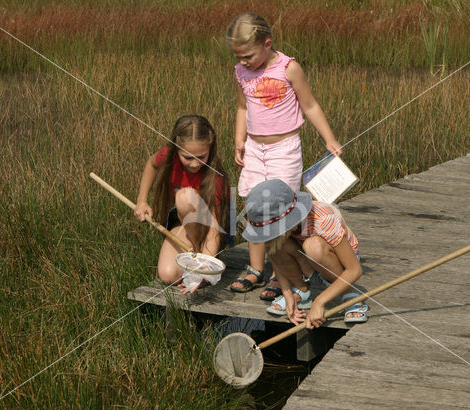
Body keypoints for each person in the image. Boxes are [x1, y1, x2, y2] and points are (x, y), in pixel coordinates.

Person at [226, 12, 343, 299]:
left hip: (284, 149)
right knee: (254, 206)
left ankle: (283, 275)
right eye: (238, 56)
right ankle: (256, 268)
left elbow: (310, 104)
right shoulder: (241, 72)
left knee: (281, 210)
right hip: (255, 148)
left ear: (267, 44)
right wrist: (239, 139)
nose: (243, 62)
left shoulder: (289, 68)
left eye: (248, 55)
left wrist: (329, 139)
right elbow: (243, 108)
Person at [242, 179, 368, 328]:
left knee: (313, 246)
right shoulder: (286, 229)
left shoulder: (323, 219)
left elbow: (355, 270)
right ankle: (302, 291)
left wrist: (319, 302)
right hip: (309, 260)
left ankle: (350, 294)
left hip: (339, 263)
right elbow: (275, 256)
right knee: (275, 244)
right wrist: (287, 294)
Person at [134, 115, 229, 291]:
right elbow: (152, 164)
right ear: (177, 148)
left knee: (184, 197)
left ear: (210, 147)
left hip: (209, 232)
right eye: (188, 157)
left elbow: (215, 229)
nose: (195, 164)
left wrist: (205, 272)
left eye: (201, 157)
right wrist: (141, 201)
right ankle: (192, 255)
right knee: (167, 275)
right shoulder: (169, 155)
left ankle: (201, 258)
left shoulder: (215, 178)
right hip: (183, 226)